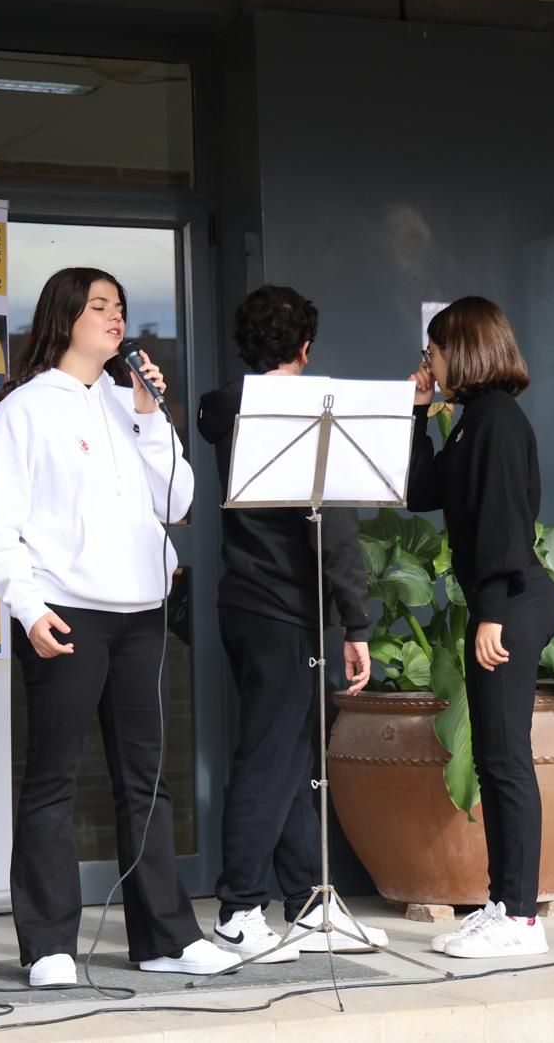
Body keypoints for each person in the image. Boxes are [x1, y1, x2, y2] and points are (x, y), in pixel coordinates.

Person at [0, 266, 235, 988]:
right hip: (65, 612)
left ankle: (163, 937)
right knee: (54, 778)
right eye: (99, 306)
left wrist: (154, 415)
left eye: (121, 307)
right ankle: (49, 944)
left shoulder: (132, 404)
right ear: (64, 317)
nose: (115, 318)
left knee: (146, 781)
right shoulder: (24, 410)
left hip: (141, 617)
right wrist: (28, 609)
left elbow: (180, 498)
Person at [197, 285, 383, 964]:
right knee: (274, 759)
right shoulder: (313, 414)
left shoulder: (233, 409)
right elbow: (333, 532)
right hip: (285, 611)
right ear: (306, 347)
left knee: (294, 756)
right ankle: (241, 909)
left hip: (244, 604)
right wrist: (356, 622)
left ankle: (307, 898)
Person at [406, 296, 554, 958]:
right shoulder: (471, 421)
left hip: (514, 599)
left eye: (434, 350)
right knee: (498, 756)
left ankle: (522, 917)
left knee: (504, 758)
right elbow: (420, 492)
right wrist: (418, 414)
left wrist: (492, 610)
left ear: (462, 350)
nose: (427, 361)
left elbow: (502, 520)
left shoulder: (496, 420)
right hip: (505, 598)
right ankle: (503, 902)